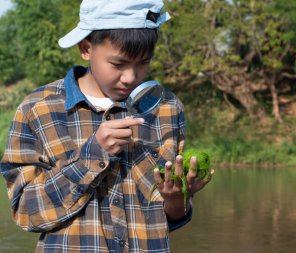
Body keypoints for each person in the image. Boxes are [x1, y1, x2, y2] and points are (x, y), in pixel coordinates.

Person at [0, 0, 213, 252]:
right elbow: (26, 213)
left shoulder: (166, 107)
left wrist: (177, 200)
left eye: (143, 62)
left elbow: (168, 216)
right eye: (118, 64)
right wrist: (93, 154)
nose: (130, 77)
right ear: (86, 48)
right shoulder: (39, 109)